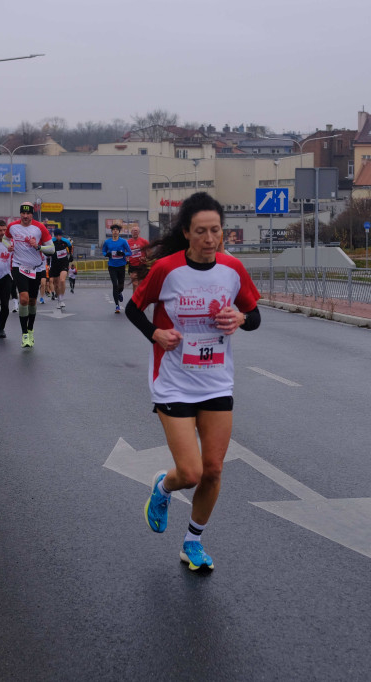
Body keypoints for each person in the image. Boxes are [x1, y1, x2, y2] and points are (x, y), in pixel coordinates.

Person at [126, 192, 261, 571]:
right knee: (191, 472)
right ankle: (164, 487)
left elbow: (254, 316)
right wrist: (156, 334)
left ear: (222, 232)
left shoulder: (233, 269)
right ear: (186, 233)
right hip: (173, 382)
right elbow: (134, 309)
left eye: (214, 230)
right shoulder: (167, 270)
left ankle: (192, 542)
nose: (208, 238)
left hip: (217, 382)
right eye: (200, 231)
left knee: (214, 470)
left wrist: (240, 320)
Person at [7, 201, 55, 348]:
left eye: (28, 213)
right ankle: (24, 335)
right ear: (20, 214)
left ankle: (30, 329)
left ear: (32, 215)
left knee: (33, 302)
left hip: (37, 267)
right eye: (23, 213)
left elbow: (51, 250)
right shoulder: (12, 227)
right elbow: (5, 239)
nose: (25, 216)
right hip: (19, 266)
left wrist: (38, 246)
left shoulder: (39, 228)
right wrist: (8, 246)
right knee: (24, 299)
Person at [102, 224, 132, 313]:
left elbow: (129, 252)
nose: (115, 231)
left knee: (121, 285)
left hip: (121, 265)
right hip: (112, 266)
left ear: (119, 232)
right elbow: (104, 251)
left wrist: (123, 254)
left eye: (116, 230)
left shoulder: (123, 242)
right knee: (115, 285)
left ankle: (119, 292)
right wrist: (106, 254)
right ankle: (117, 305)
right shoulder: (107, 242)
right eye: (113, 230)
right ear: (111, 232)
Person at [49, 228, 72, 308]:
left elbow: (70, 247)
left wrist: (71, 255)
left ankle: (61, 299)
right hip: (55, 264)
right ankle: (58, 299)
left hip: (64, 263)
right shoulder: (51, 241)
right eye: (57, 235)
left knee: (62, 280)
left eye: (60, 235)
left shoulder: (66, 241)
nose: (59, 237)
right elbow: (47, 249)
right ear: (55, 235)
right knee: (56, 284)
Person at [126, 224, 151, 292]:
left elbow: (149, 252)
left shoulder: (144, 241)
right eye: (134, 231)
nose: (135, 232)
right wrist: (126, 259)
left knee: (141, 283)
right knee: (134, 283)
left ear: (139, 232)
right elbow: (125, 253)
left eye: (136, 231)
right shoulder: (127, 242)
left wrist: (145, 258)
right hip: (133, 265)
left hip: (142, 265)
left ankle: (140, 299)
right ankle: (135, 299)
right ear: (131, 232)